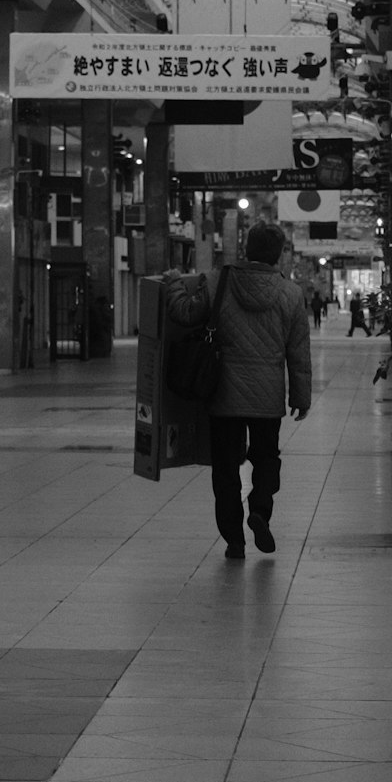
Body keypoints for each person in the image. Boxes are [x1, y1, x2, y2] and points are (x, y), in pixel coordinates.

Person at [164, 222, 312, 560]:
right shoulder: (291, 294)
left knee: (226, 466)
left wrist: (174, 283)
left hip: (224, 393)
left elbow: (185, 313)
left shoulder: (219, 281)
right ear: (278, 255)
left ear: (247, 248)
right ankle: (260, 509)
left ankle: (233, 539)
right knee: (267, 457)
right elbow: (298, 352)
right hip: (267, 395)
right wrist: (300, 397)